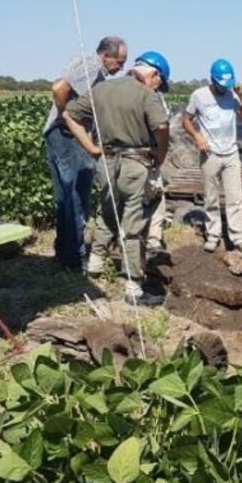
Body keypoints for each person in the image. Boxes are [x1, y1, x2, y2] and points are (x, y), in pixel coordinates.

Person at [64, 50, 171, 305]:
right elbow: (161, 126)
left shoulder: (101, 89)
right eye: (159, 82)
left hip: (106, 162)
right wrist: (160, 153)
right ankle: (133, 287)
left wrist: (89, 147)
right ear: (154, 74)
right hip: (135, 163)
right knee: (132, 225)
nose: (158, 87)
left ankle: (94, 268)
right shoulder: (146, 94)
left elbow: (68, 114)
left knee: (108, 212)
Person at [43, 36, 127, 270]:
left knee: (65, 198)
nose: (121, 68)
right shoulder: (92, 66)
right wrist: (67, 116)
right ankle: (75, 258)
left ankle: (65, 252)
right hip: (67, 136)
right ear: (106, 55)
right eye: (119, 62)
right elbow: (59, 88)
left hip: (59, 135)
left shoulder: (88, 64)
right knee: (77, 196)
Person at [182, 58, 242, 254]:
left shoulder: (233, 95)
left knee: (235, 198)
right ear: (212, 80)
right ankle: (213, 235)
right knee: (211, 198)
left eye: (227, 85)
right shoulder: (199, 96)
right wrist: (197, 136)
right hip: (210, 154)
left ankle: (239, 237)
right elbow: (186, 120)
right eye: (221, 84)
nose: (224, 88)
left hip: (231, 154)